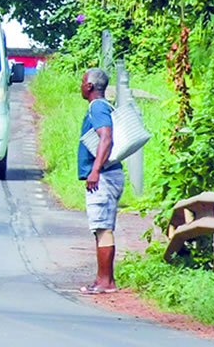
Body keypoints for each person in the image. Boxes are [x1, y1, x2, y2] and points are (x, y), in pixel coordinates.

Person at [78, 67, 123, 294]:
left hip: (104, 176)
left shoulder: (97, 108)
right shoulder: (102, 106)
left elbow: (105, 138)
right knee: (100, 228)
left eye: (83, 82)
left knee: (103, 228)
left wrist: (95, 171)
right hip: (107, 175)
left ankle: (105, 282)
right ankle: (103, 279)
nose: (81, 85)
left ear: (89, 86)